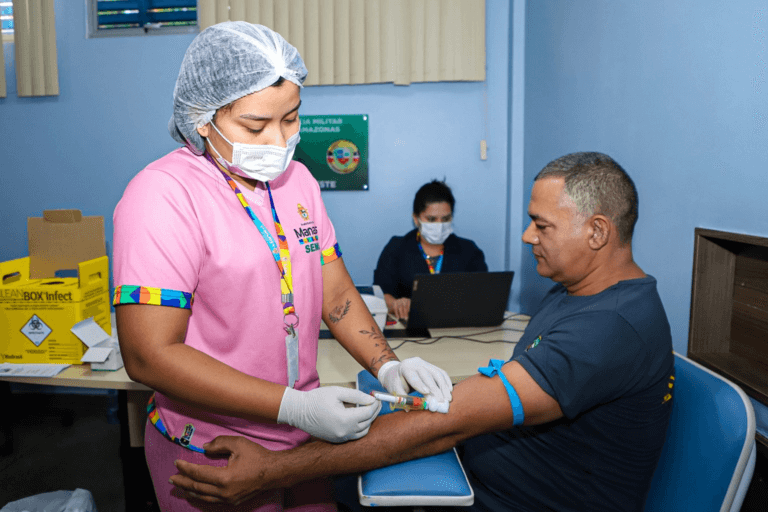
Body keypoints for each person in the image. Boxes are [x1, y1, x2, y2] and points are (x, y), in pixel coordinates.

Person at [168, 152, 676, 512]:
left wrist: (272, 470)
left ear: (597, 231)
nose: (527, 236)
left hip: (517, 501)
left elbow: (449, 422)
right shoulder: (576, 291)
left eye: (542, 226)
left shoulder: (610, 328)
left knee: (333, 478)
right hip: (487, 472)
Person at [112, 22, 453, 512]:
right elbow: (149, 355)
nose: (277, 141)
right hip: (212, 451)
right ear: (202, 119)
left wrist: (389, 366)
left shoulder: (299, 183)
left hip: (305, 444)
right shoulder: (162, 198)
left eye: (290, 119)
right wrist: (292, 405)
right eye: (255, 127)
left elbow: (334, 295)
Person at [374, 180, 488, 320]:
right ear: (416, 219)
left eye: (445, 219)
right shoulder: (397, 248)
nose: (439, 225)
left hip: (458, 327)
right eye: (432, 219)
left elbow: (483, 296)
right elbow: (381, 292)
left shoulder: (469, 251)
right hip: (408, 328)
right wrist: (396, 304)